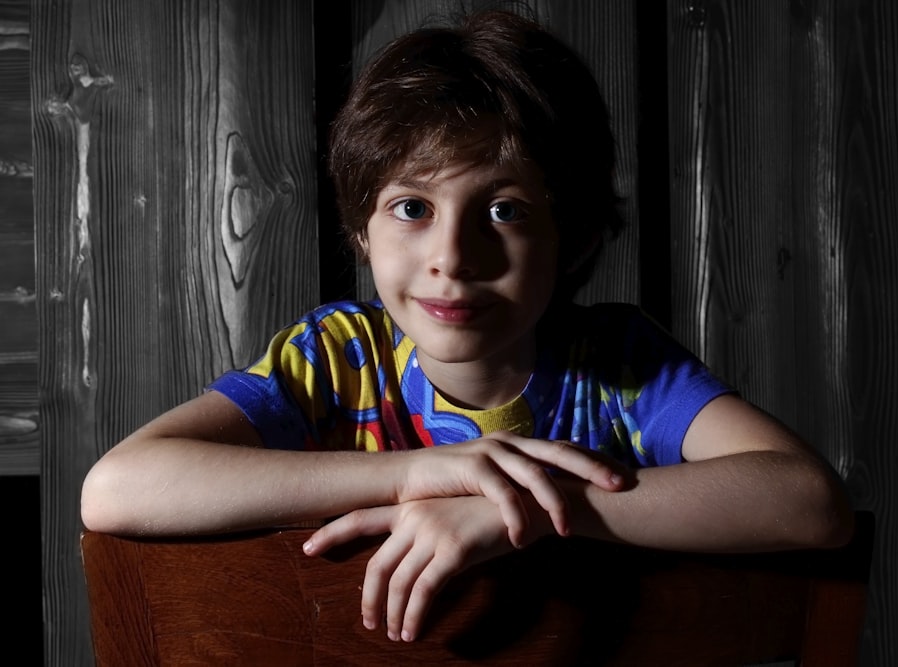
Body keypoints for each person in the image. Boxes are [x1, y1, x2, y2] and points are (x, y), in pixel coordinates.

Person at [81, 9, 854, 644]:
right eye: (411, 208)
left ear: (577, 235)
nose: (452, 257)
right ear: (362, 232)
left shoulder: (620, 367)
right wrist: (421, 474)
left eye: (505, 210)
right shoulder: (337, 358)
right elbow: (118, 488)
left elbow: (809, 502)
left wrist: (519, 511)